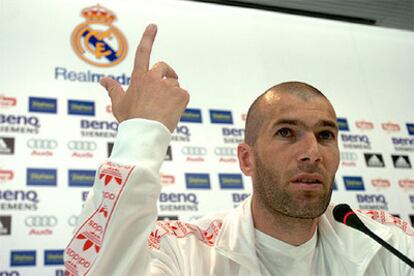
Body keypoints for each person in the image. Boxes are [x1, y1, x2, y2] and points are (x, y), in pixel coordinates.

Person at [64, 24, 414, 276]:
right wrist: (141, 133)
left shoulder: (386, 243)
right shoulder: (188, 253)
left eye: (325, 136)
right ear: (247, 159)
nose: (312, 152)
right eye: (287, 132)